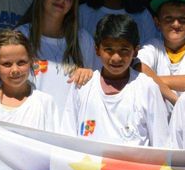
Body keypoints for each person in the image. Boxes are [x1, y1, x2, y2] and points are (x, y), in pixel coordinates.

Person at [0, 0, 98, 112]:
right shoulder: (21, 36)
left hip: (68, 128)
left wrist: (90, 75)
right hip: (29, 125)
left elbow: (98, 88)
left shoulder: (83, 40)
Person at [61, 14, 168, 146]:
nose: (116, 57)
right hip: (88, 166)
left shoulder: (147, 88)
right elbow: (67, 137)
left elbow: (162, 144)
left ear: (135, 51)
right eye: (109, 49)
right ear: (97, 50)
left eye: (124, 50)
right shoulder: (83, 85)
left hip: (133, 166)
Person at [0, 30, 58, 130]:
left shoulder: (45, 103)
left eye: (21, 62)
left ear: (31, 61)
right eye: (7, 64)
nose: (15, 70)